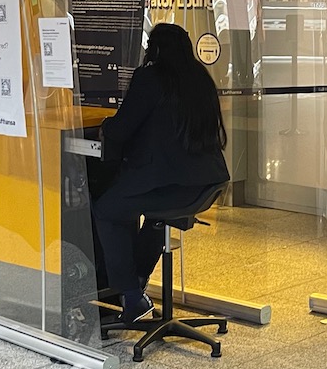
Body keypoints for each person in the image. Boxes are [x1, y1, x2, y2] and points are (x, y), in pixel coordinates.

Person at [92, 23, 229, 323]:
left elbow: (122, 127)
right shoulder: (200, 79)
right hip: (206, 186)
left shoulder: (150, 78)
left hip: (168, 184)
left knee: (106, 209)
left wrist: (105, 126)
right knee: (154, 216)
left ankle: (130, 295)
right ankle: (137, 281)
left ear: (153, 50)